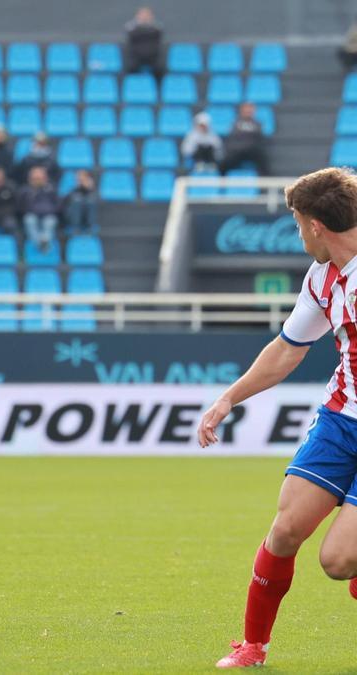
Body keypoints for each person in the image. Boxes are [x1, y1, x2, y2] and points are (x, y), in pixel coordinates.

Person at [199, 167, 357, 667]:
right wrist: (229, 398)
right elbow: (288, 350)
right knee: (286, 530)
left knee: (338, 561)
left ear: (314, 225)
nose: (297, 231)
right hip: (341, 419)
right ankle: (253, 647)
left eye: (295, 222)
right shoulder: (322, 276)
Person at [17, 166, 62, 253]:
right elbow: (20, 206)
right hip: (32, 215)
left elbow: (58, 204)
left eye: (40, 178)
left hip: (49, 214)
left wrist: (51, 211)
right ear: (30, 179)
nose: (37, 181)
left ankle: (43, 241)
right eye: (35, 178)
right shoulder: (25, 191)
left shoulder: (52, 189)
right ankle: (41, 244)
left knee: (50, 221)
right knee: (29, 220)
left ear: (45, 178)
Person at [221, 102, 271, 176]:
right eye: (246, 110)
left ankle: (267, 184)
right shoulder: (236, 123)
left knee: (262, 158)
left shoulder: (258, 123)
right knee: (225, 162)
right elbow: (234, 137)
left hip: (252, 151)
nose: (248, 112)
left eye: (250, 110)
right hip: (238, 150)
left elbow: (258, 137)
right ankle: (221, 183)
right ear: (242, 111)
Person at [123, 6, 164, 80]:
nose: (144, 17)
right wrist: (139, 23)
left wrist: (148, 24)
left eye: (147, 15)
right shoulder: (132, 27)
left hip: (152, 57)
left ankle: (157, 89)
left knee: (160, 69)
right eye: (142, 15)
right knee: (130, 68)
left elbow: (158, 31)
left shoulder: (155, 27)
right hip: (136, 57)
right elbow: (129, 32)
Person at [63, 169, 99, 234]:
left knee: (90, 201)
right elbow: (65, 200)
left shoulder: (92, 190)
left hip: (86, 215)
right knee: (77, 201)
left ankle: (90, 226)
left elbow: (98, 201)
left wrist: (89, 189)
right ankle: (75, 227)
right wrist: (77, 188)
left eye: (84, 177)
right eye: (79, 177)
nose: (81, 179)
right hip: (72, 216)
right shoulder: (72, 187)